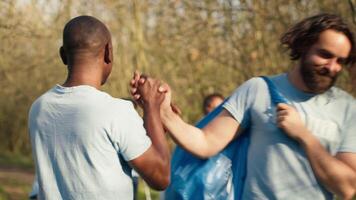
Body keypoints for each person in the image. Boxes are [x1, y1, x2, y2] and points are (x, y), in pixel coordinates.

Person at [132, 13, 356, 199]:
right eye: (325, 55)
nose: (333, 67)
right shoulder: (258, 90)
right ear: (305, 46)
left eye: (341, 61)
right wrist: (161, 109)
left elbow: (347, 188)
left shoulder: (347, 108)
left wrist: (305, 136)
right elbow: (205, 142)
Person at [28, 16, 170, 200]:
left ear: (63, 55)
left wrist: (150, 121)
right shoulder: (117, 111)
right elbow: (161, 178)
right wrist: (151, 106)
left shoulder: (39, 108)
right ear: (108, 53)